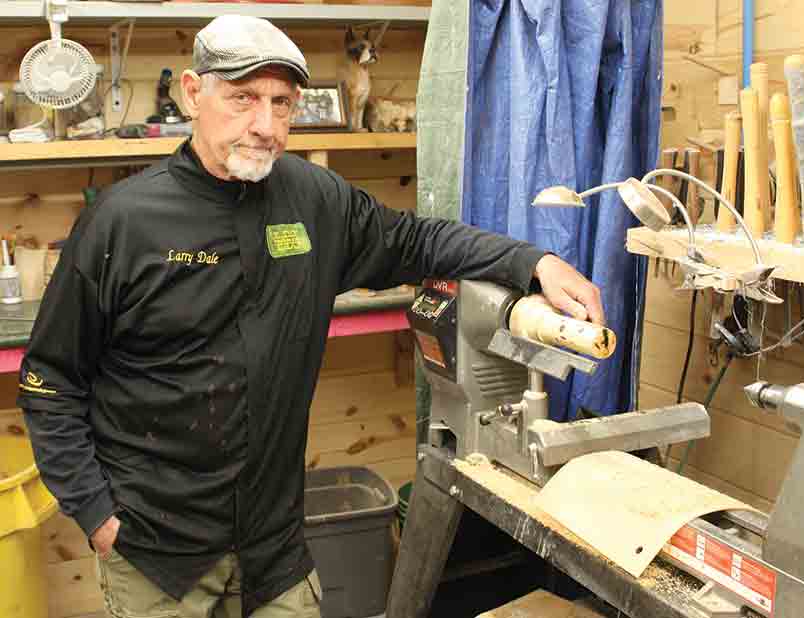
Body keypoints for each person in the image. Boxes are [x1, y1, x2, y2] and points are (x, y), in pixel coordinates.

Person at [17, 14, 604, 618]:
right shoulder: (123, 221)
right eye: (243, 98)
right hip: (156, 550)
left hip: (274, 547)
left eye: (282, 104)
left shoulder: (313, 198)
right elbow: (50, 383)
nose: (265, 126)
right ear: (193, 94)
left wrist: (535, 263)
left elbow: (416, 240)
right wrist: (96, 515)